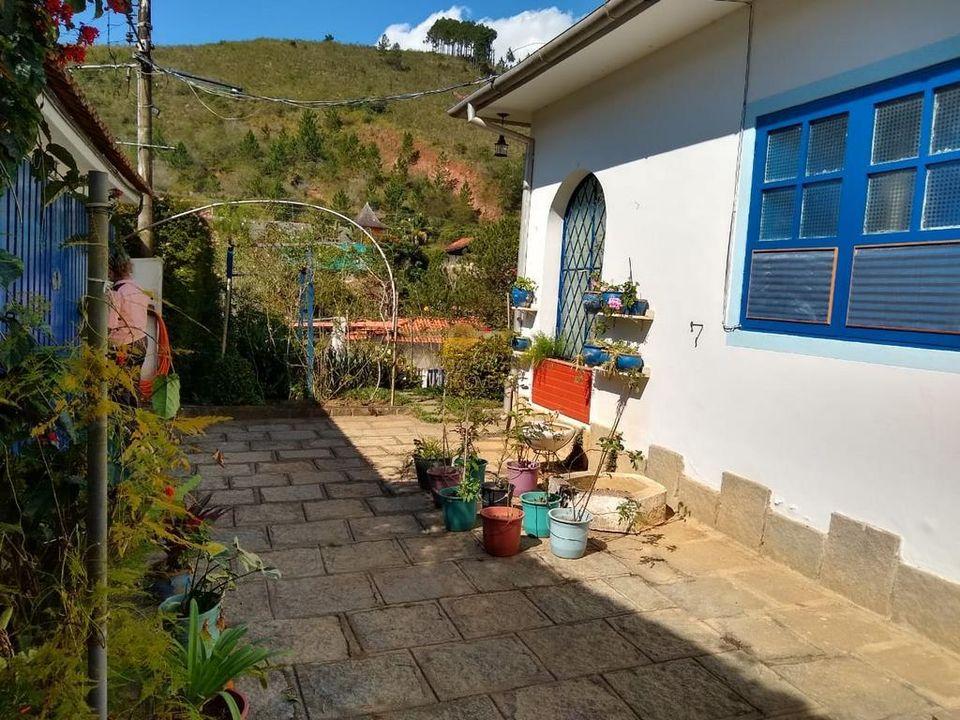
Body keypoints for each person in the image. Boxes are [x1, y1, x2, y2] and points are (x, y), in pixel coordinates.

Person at [107, 247, 151, 365]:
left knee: (118, 382)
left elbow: (110, 324)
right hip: (142, 341)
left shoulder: (116, 292)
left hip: (123, 345)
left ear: (111, 270)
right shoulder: (139, 288)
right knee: (133, 381)